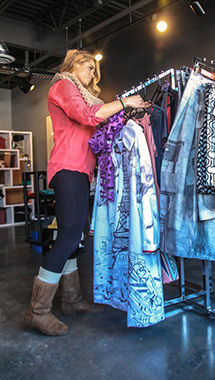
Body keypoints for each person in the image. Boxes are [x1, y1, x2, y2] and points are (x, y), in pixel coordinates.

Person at [24, 49, 148, 336]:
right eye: (89, 67)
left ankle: (71, 299)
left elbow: (99, 121)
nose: (93, 73)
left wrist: (126, 112)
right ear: (73, 64)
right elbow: (87, 115)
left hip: (79, 171)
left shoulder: (83, 93)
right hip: (67, 168)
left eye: (95, 69)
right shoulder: (63, 85)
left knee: (74, 233)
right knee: (68, 235)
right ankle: (38, 311)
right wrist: (124, 101)